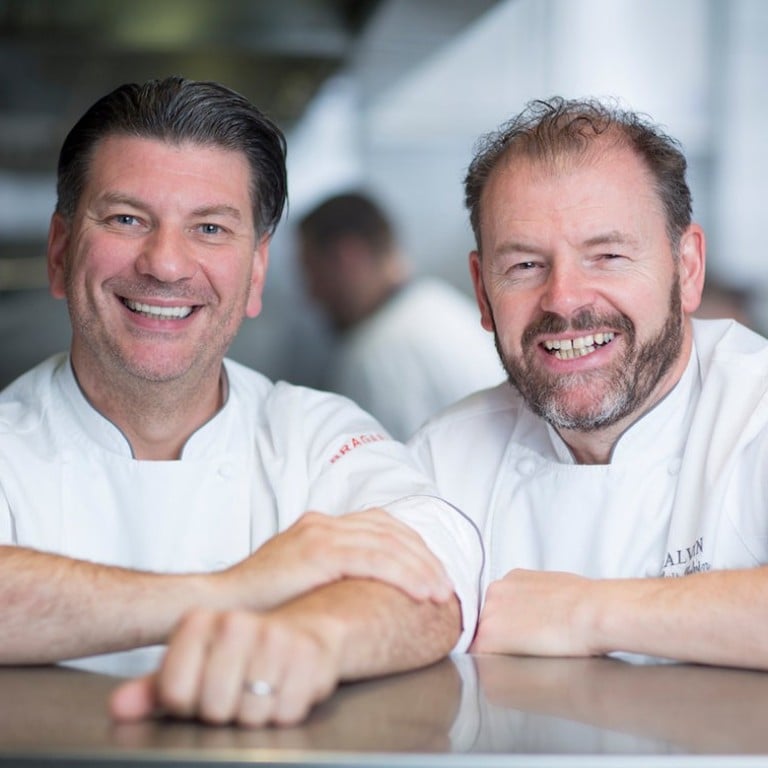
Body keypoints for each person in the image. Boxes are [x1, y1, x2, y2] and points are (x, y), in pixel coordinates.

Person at [0, 76, 483, 727]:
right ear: (61, 252)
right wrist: (234, 591)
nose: (166, 263)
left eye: (209, 227)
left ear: (255, 275)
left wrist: (310, 639)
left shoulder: (315, 437)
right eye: (125, 219)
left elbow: (437, 576)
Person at [410, 96, 768, 670]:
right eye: (525, 266)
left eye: (607, 255)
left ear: (688, 268)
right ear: (482, 293)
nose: (565, 299)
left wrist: (586, 612)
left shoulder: (757, 409)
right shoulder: (444, 459)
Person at [297, 192, 503, 441]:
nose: (312, 295)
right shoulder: (440, 303)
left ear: (346, 257)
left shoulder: (376, 355)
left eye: (312, 273)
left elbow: (388, 476)